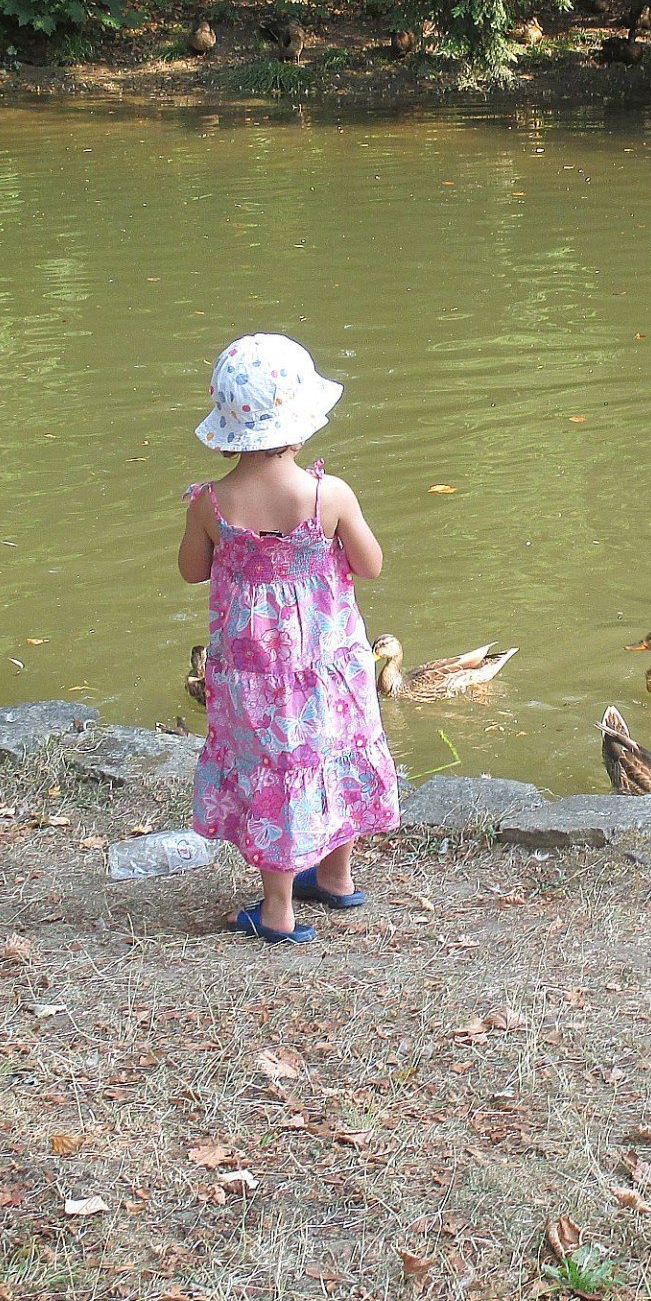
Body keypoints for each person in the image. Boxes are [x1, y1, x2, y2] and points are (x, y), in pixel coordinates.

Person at [177, 333, 398, 945]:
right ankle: (334, 877)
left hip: (251, 672)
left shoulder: (210, 503)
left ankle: (279, 906)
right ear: (299, 426)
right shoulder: (329, 495)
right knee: (332, 750)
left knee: (275, 767)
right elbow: (371, 564)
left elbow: (193, 570)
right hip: (327, 665)